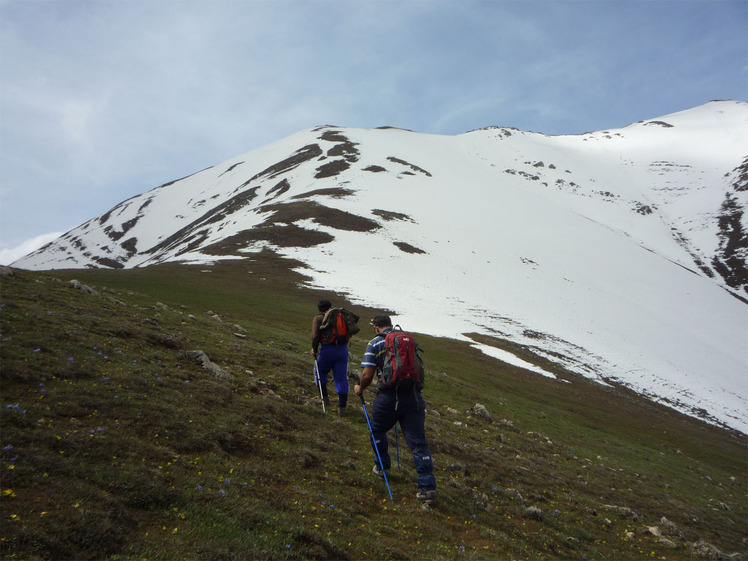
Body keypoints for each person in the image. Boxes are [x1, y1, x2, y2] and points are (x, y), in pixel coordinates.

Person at [354, 314, 437, 501]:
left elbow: (367, 374)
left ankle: (382, 467)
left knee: (377, 430)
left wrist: (360, 388)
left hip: (389, 398)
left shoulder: (375, 343)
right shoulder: (406, 340)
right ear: (391, 325)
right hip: (413, 397)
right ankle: (427, 487)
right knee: (418, 442)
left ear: (376, 327)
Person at [311, 299, 350, 416]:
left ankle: (324, 399)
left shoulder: (318, 318)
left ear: (319, 308)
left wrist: (314, 349)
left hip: (327, 350)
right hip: (342, 349)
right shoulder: (341, 316)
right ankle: (342, 408)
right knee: (341, 378)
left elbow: (315, 336)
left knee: (319, 372)